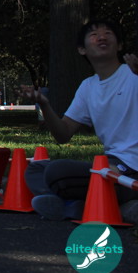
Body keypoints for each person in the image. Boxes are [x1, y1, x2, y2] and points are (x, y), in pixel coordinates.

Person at [22, 19, 138, 223]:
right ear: (82, 49)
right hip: (109, 165)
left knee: (57, 171)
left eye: (108, 33)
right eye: (94, 35)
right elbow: (63, 134)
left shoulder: (133, 72)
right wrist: (44, 105)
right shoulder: (88, 86)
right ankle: (75, 206)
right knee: (36, 168)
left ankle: (71, 205)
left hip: (130, 170)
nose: (101, 37)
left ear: (119, 45)